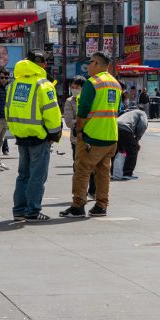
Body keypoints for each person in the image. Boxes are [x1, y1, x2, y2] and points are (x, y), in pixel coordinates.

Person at [60, 51, 121, 218]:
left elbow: (83, 111)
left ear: (96, 64)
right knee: (103, 172)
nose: (88, 66)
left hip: (91, 136)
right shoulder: (116, 84)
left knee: (82, 170)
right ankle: (101, 205)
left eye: (91, 62)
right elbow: (117, 110)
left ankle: (78, 206)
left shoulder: (92, 83)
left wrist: (78, 131)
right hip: (110, 136)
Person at [6, 51, 62, 222]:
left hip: (21, 136)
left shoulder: (14, 84)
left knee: (23, 175)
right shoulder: (43, 85)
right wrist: (55, 134)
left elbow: (8, 110)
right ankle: (32, 211)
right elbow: (51, 113)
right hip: (39, 136)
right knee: (37, 176)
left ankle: (19, 210)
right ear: (42, 64)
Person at [116, 108, 148, 179]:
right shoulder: (142, 113)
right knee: (133, 150)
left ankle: (113, 173)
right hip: (125, 128)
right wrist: (136, 140)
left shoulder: (129, 113)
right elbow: (143, 125)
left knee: (117, 150)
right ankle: (127, 173)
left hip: (115, 127)